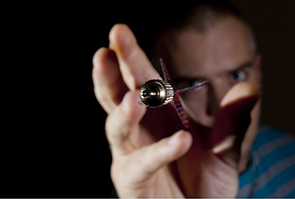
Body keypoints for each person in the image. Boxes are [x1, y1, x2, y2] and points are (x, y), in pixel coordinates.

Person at [92, 0, 295, 197]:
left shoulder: (289, 152)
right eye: (191, 85)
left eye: (236, 75)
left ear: (258, 71)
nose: (220, 106)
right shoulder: (144, 188)